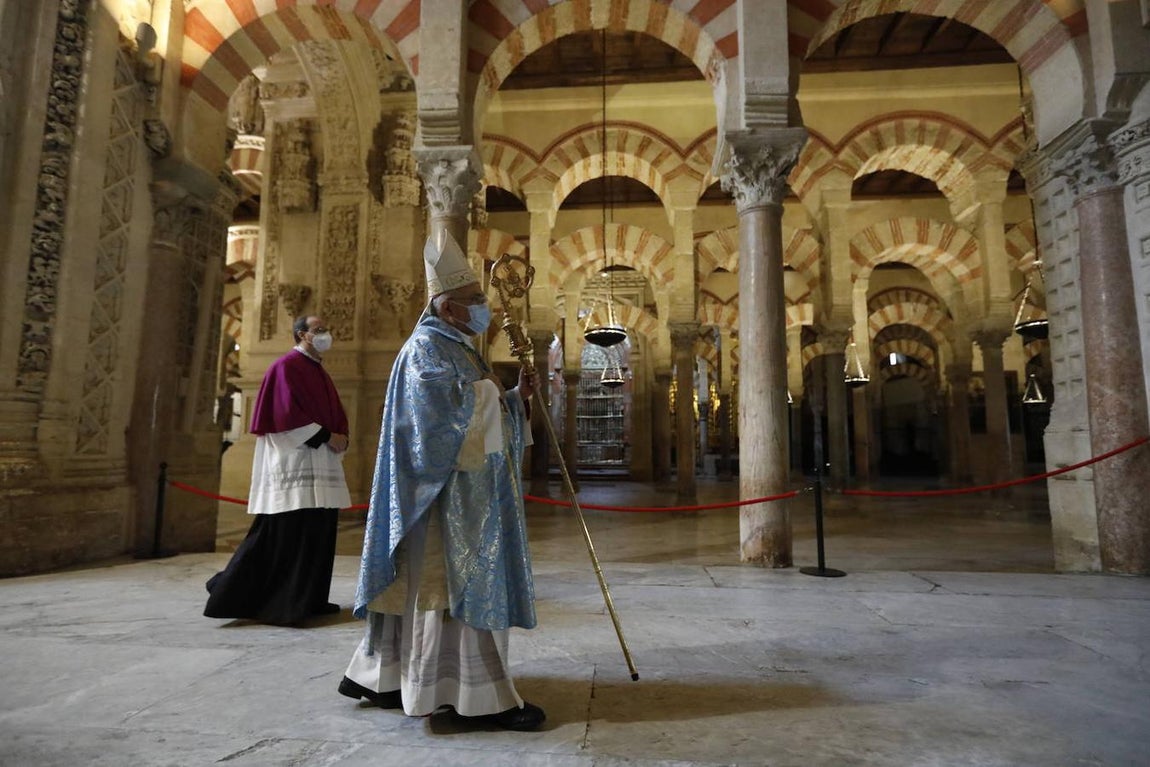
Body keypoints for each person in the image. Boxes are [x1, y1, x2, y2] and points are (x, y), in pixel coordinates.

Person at [338, 231, 544, 731]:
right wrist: (494, 397)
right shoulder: (427, 348)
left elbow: (476, 400)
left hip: (456, 497)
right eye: (475, 302)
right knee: (449, 591)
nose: (483, 310)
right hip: (440, 504)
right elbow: (438, 421)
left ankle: (387, 677)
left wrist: (514, 398)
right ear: (448, 307)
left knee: (432, 593)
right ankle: (472, 697)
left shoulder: (456, 347)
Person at [204, 315, 352, 625]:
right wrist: (328, 436)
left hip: (319, 460)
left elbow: (333, 413)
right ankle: (275, 603)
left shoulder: (318, 370)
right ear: (302, 334)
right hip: (293, 462)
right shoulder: (286, 367)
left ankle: (310, 598)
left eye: (327, 328)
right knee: (288, 534)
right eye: (319, 329)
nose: (326, 334)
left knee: (318, 531)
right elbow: (284, 416)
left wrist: (341, 438)